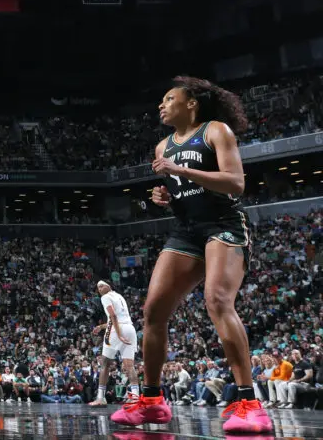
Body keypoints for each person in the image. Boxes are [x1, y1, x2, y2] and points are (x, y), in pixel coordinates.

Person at [111, 76, 272, 434]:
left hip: (223, 223)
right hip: (186, 229)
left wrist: (180, 171)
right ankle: (152, 401)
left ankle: (249, 402)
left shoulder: (216, 131)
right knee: (153, 311)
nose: (161, 105)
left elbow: (235, 182)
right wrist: (166, 198)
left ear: (191, 104)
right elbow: (185, 192)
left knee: (217, 300)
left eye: (170, 99)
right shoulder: (162, 146)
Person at [89, 280, 139, 406]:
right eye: (98, 287)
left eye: (101, 286)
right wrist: (101, 327)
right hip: (130, 329)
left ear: (109, 286)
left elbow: (113, 317)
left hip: (117, 330)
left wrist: (119, 334)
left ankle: (101, 398)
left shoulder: (105, 297)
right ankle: (136, 397)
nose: (99, 289)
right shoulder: (120, 296)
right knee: (129, 365)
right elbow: (118, 318)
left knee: (105, 364)